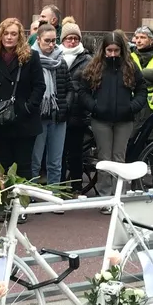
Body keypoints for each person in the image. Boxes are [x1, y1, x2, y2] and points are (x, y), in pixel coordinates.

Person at [79, 32, 146, 210]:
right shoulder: (95, 66)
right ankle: (105, 198)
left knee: (119, 157)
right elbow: (83, 92)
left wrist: (131, 107)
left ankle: (119, 196)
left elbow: (142, 90)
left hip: (124, 119)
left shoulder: (130, 66)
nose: (113, 54)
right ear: (104, 50)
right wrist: (94, 107)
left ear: (122, 50)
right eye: (109, 50)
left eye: (116, 50)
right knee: (104, 158)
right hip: (101, 119)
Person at [0, 17, 45, 181]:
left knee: (24, 165)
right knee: (3, 165)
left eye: (13, 34)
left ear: (20, 36)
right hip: (2, 119)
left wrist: (28, 108)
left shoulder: (31, 57)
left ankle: (22, 202)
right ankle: (6, 202)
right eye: (5, 33)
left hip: (25, 120)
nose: (9, 37)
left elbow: (40, 86)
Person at [31, 23, 69, 188]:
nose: (52, 44)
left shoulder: (61, 60)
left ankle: (55, 194)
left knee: (55, 161)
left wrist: (65, 104)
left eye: (54, 40)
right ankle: (30, 196)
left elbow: (69, 87)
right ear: (38, 40)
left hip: (57, 116)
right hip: (37, 117)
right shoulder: (31, 60)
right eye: (47, 40)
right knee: (35, 160)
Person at [59, 22, 93, 193]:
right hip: (59, 112)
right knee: (58, 153)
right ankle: (58, 185)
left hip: (78, 113)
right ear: (63, 40)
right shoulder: (56, 56)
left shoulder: (87, 60)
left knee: (76, 153)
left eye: (75, 38)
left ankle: (76, 186)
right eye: (68, 38)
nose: (72, 42)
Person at [130, 25, 153, 117]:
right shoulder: (129, 57)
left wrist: (136, 74)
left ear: (151, 40)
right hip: (133, 104)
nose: (138, 41)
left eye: (142, 37)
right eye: (137, 37)